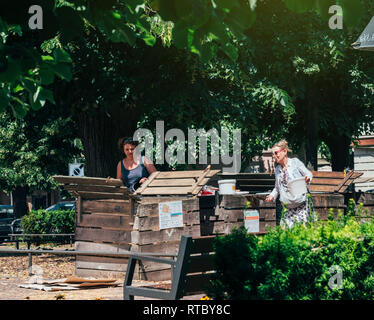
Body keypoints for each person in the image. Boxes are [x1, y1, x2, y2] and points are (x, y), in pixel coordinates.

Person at [265, 140, 313, 228]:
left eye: (276, 153)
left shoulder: (295, 162)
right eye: (273, 154)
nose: (274, 156)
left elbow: (308, 173)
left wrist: (307, 178)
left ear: (284, 151)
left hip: (300, 207)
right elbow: (277, 188)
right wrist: (271, 196)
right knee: (286, 236)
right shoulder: (277, 169)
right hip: (288, 208)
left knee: (300, 233)